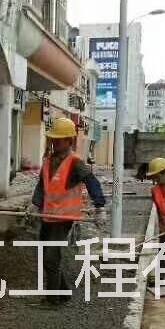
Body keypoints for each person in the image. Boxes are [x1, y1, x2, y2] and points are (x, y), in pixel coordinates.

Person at [29, 117, 106, 305]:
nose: (54, 142)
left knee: (50, 258)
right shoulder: (48, 161)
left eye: (59, 139)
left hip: (64, 217)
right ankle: (63, 293)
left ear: (69, 140)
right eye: (53, 139)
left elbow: (92, 182)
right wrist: (35, 204)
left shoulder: (75, 163)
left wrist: (99, 207)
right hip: (47, 216)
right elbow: (42, 186)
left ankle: (52, 301)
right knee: (46, 257)